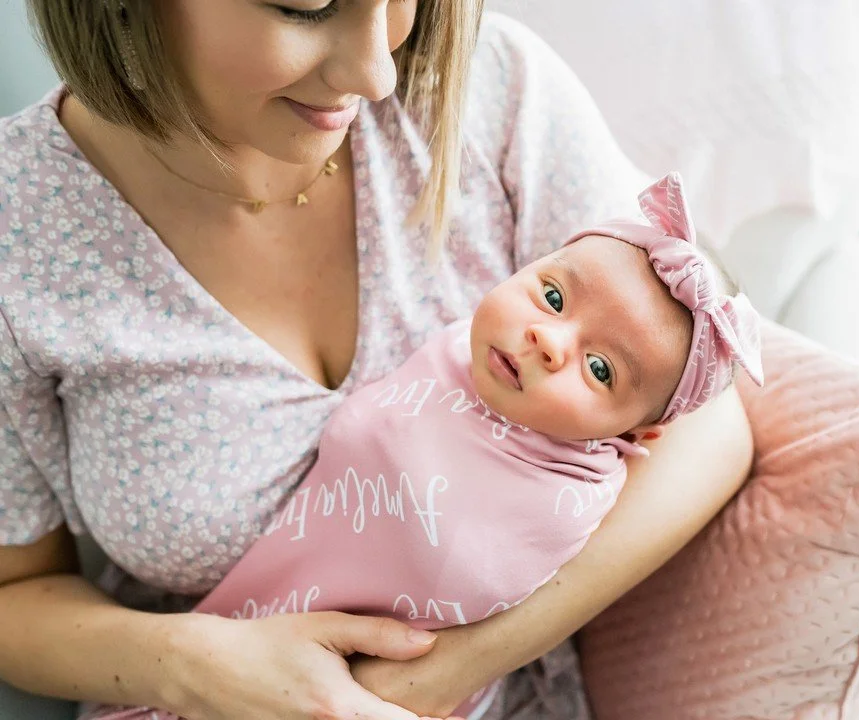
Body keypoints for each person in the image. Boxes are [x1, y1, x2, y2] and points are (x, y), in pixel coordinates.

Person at [0, 2, 755, 719]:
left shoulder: (491, 89)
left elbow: (704, 417)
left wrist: (451, 667)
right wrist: (196, 664)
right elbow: (15, 592)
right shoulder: (21, 228)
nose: (376, 75)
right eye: (304, 7)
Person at [82, 172, 763, 720]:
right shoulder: (457, 351)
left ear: (635, 435)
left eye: (601, 369)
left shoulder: (567, 492)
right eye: (552, 295)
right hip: (242, 638)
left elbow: (468, 570)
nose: (548, 340)